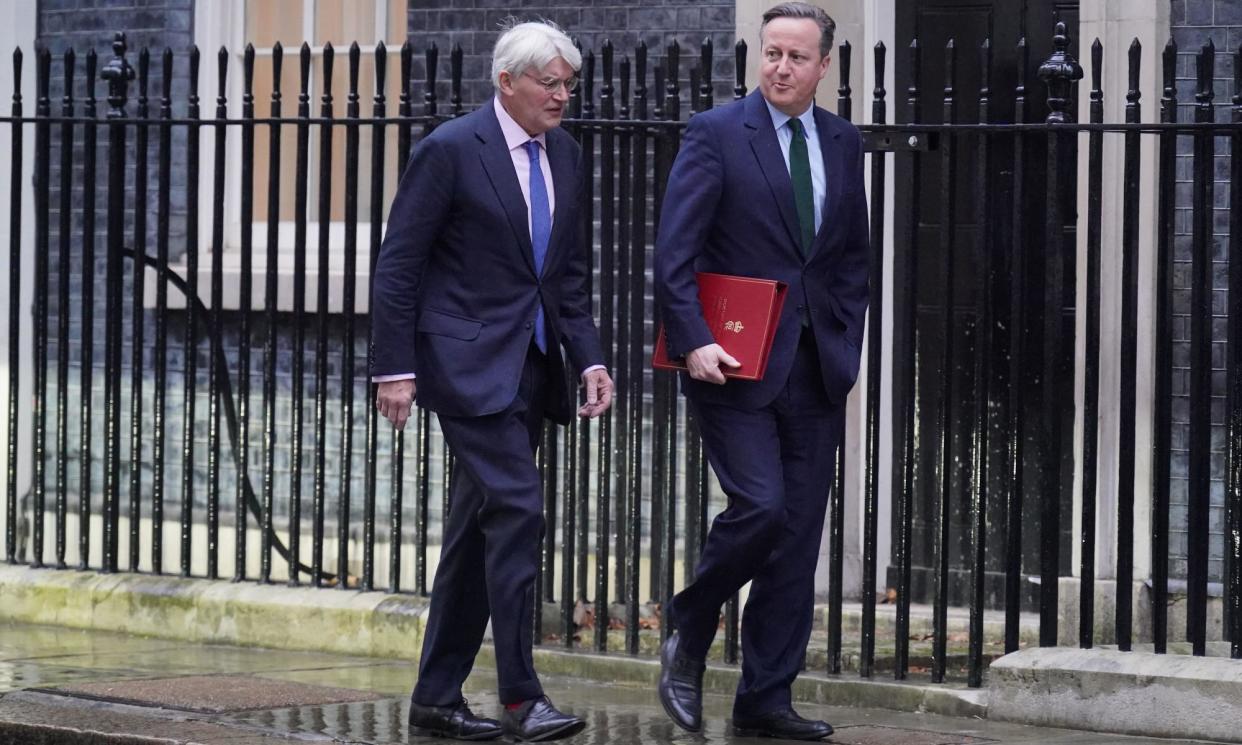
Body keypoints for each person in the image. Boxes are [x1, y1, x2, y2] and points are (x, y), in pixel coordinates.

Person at [370, 20, 613, 743]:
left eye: (569, 82)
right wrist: (394, 367)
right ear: (506, 83)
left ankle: (435, 699)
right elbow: (399, 264)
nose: (562, 95)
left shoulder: (565, 156)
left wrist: (590, 358)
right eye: (550, 82)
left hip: (532, 371)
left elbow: (565, 277)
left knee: (474, 538)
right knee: (518, 509)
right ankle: (519, 698)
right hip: (465, 368)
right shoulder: (450, 150)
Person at [653, 3, 868, 740]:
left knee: (798, 536)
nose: (780, 67)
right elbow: (673, 252)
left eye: (795, 57)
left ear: (824, 66)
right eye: (771, 53)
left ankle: (765, 699)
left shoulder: (842, 141)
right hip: (732, 365)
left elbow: (849, 257)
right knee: (762, 508)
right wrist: (693, 339)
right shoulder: (716, 133)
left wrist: (847, 337)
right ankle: (690, 616)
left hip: (816, 369)